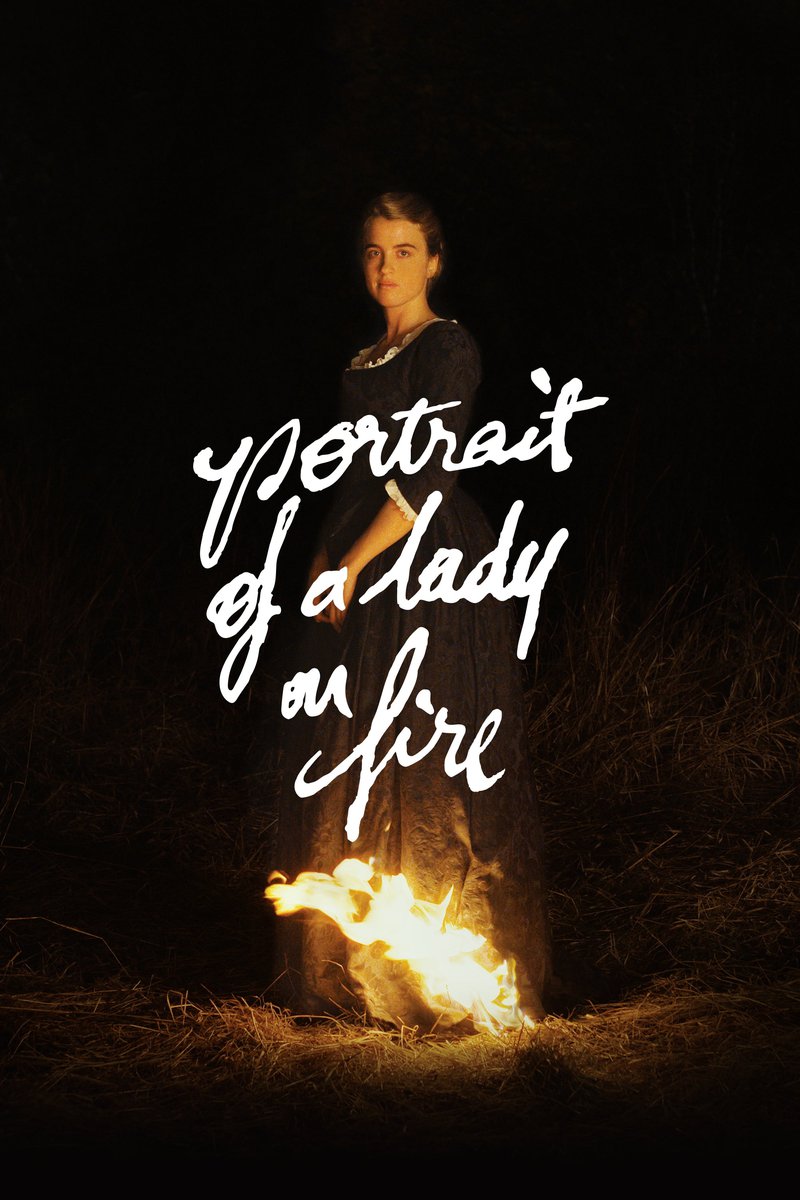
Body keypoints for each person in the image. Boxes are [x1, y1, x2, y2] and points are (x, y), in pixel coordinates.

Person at [273, 192, 550, 1025]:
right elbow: (353, 471)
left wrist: (353, 562)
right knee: (356, 742)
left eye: (403, 250)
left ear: (434, 260)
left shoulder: (448, 347)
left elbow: (428, 476)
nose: (386, 266)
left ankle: (451, 970)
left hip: (426, 560)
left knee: (428, 749)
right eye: (373, 250)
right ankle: (355, 964)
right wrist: (326, 556)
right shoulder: (364, 357)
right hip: (363, 554)